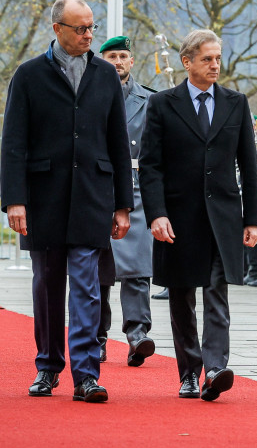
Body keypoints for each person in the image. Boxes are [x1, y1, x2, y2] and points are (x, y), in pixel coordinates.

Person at [1, 0, 133, 403]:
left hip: (93, 195)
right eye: (81, 29)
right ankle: (47, 366)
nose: (89, 35)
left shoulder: (106, 76)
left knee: (88, 287)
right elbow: (14, 143)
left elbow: (117, 142)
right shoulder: (28, 75)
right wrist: (15, 201)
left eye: (91, 27)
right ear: (57, 29)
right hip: (43, 199)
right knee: (47, 286)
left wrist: (123, 204)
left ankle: (86, 374)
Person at [137, 29, 257, 402]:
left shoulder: (236, 103)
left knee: (216, 292)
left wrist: (253, 219)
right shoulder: (162, 104)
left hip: (222, 217)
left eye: (218, 59)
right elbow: (151, 166)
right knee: (181, 297)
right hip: (178, 218)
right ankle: (189, 373)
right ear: (187, 61)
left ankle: (216, 369)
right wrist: (156, 214)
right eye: (207, 59)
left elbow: (249, 165)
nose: (214, 65)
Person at [96, 34, 157, 368]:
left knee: (136, 268)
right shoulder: (87, 96)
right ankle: (96, 337)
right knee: (97, 269)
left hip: (135, 187)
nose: (117, 62)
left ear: (132, 61)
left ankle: (137, 335)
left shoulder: (150, 100)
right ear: (100, 61)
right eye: (111, 56)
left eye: (122, 56)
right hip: (97, 188)